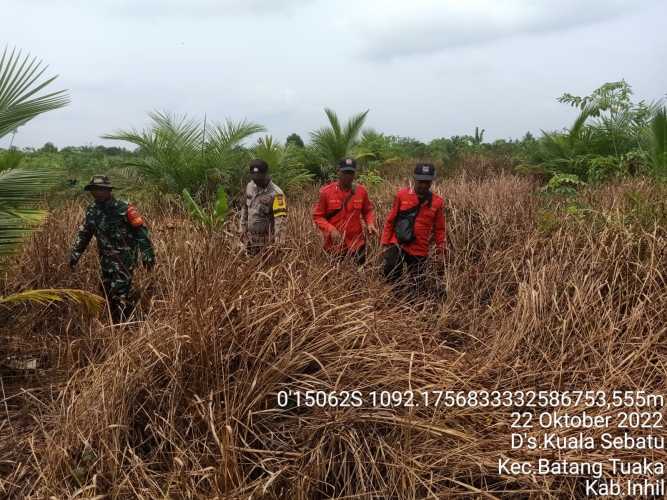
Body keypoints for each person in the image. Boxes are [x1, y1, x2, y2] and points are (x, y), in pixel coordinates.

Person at [69, 175, 156, 322]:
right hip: (105, 261)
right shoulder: (92, 210)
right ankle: (115, 321)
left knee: (120, 293)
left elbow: (141, 232)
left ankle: (126, 324)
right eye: (94, 190)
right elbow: (85, 233)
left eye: (100, 190)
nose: (97, 193)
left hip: (124, 260)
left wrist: (147, 255)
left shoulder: (125, 208)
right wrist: (75, 254)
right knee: (106, 291)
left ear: (108, 190)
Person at [381, 163, 446, 297]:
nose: (423, 185)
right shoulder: (402, 195)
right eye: (421, 181)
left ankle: (412, 306)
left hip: (419, 247)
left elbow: (439, 229)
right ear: (414, 179)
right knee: (390, 268)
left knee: (417, 285)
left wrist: (441, 250)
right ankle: (395, 297)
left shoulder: (437, 202)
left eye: (427, 182)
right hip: (398, 242)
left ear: (431, 181)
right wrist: (385, 244)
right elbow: (390, 220)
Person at [313, 158, 377, 265]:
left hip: (357, 244)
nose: (348, 176)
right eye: (345, 172)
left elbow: (368, 211)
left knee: (359, 277)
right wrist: (331, 229)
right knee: (337, 278)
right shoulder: (326, 192)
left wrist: (370, 223)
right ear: (339, 172)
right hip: (335, 246)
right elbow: (318, 216)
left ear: (354, 174)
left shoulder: (361, 191)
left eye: (351, 173)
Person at [240, 159, 287, 255]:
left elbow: (280, 221)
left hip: (266, 243)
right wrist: (242, 228)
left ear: (266, 174)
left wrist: (278, 245)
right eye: (254, 178)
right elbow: (245, 208)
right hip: (250, 240)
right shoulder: (250, 186)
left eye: (259, 178)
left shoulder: (277, 194)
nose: (256, 181)